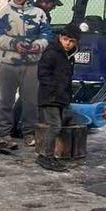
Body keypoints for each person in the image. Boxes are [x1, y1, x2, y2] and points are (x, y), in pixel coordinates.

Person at [0, 0, 51, 147]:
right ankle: (4, 133)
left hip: (32, 64)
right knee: (5, 100)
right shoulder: (3, 13)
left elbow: (47, 34)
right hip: (8, 64)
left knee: (31, 102)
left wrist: (38, 45)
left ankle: (29, 133)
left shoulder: (39, 14)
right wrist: (13, 44)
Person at [36, 23, 80, 172]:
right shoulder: (52, 52)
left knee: (58, 125)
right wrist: (54, 89)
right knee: (55, 126)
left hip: (60, 97)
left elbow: (66, 77)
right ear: (60, 37)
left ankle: (49, 155)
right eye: (65, 39)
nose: (68, 43)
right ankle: (46, 156)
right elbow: (42, 73)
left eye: (72, 41)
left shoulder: (68, 56)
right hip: (50, 97)